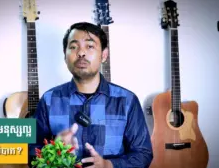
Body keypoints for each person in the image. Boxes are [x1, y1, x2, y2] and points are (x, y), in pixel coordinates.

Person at [28, 22, 153, 168]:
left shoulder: (127, 101)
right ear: (65, 55)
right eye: (73, 47)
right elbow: (29, 152)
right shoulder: (49, 100)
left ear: (104, 55)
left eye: (90, 46)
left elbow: (143, 154)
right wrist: (54, 149)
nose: (81, 53)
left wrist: (109, 165)